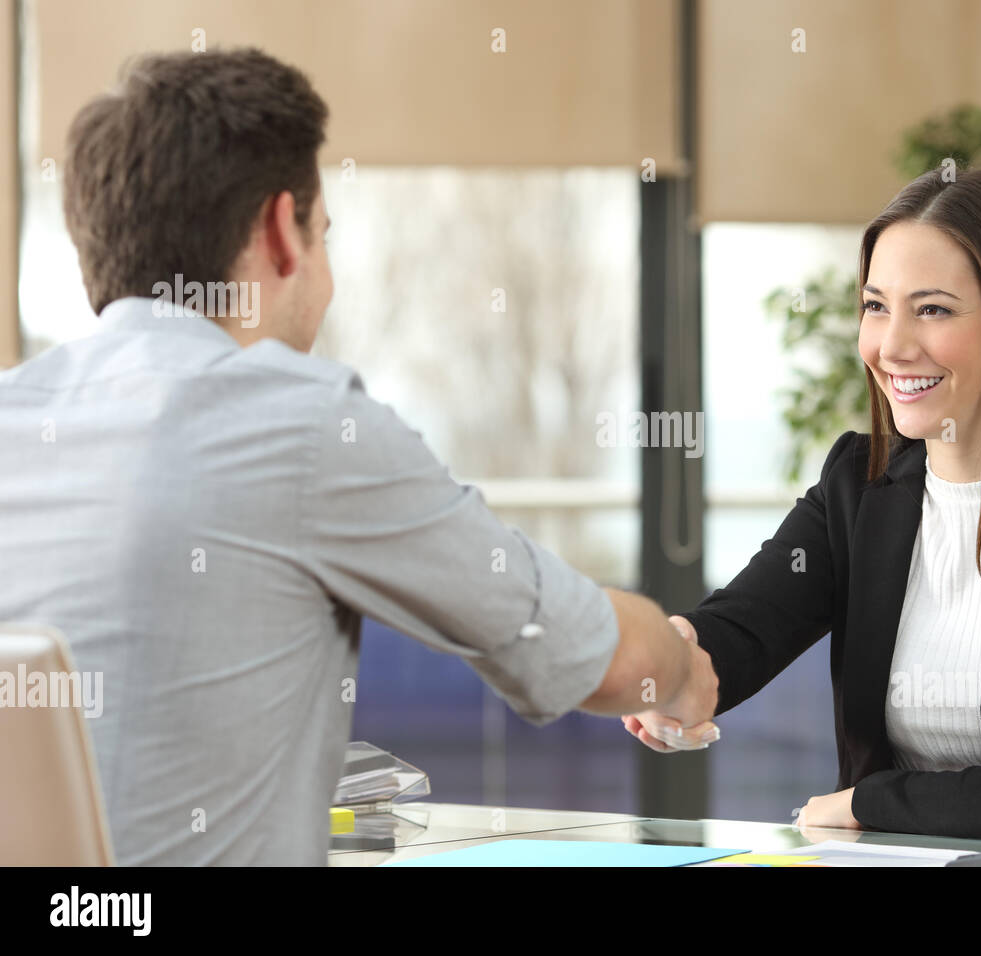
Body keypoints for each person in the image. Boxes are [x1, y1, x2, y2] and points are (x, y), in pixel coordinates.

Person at [0, 47, 717, 865]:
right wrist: (682, 662)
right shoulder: (296, 424)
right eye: (324, 236)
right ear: (281, 230)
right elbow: (604, 659)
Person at [624, 167, 981, 846]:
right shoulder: (861, 485)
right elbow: (741, 631)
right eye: (876, 306)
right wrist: (679, 664)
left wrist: (869, 802)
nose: (891, 346)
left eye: (932, 308)